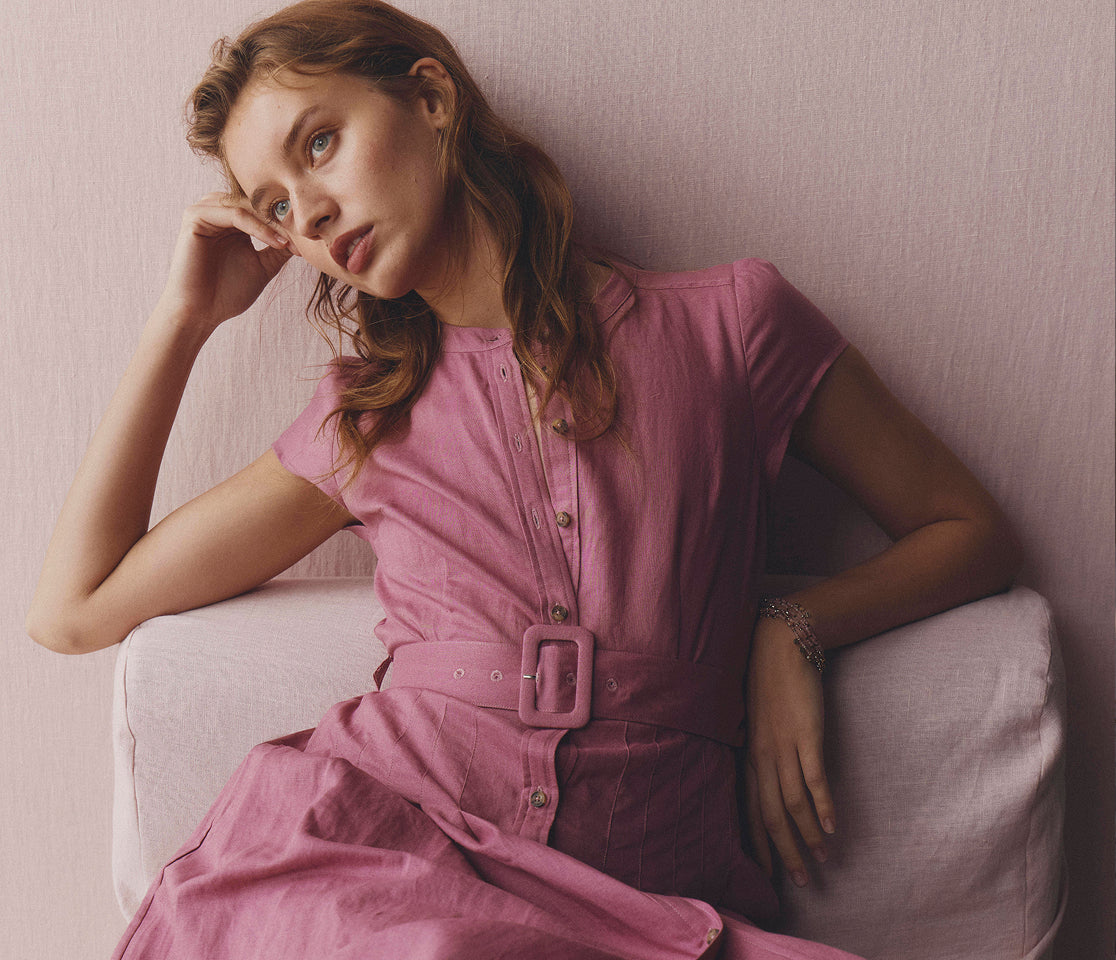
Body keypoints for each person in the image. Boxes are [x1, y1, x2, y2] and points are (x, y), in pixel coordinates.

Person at [26, 1, 1022, 957]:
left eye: (318, 143)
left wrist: (794, 626)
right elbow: (74, 609)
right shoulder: (362, 419)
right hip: (382, 879)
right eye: (277, 207)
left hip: (656, 911)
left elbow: (967, 526)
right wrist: (183, 320)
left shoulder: (733, 326)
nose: (311, 213)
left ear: (431, 97)